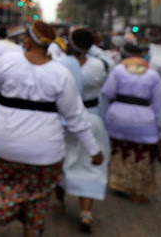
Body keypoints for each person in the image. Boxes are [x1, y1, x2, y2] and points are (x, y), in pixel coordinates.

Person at [0, 20, 103, 237]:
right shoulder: (61, 73)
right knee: (38, 195)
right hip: (44, 151)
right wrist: (94, 150)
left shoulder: (7, 61)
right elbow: (75, 118)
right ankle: (31, 229)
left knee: (0, 181)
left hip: (3, 142)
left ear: (28, 40)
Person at [54, 27, 111, 233]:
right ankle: (86, 213)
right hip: (93, 119)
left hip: (66, 120)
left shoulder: (60, 65)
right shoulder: (101, 65)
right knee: (91, 165)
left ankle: (59, 203)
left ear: (70, 43)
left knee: (62, 160)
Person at [101, 42, 161, 203]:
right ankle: (137, 191)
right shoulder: (153, 75)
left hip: (118, 117)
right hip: (144, 122)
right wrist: (160, 128)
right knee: (141, 156)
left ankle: (119, 185)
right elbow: (159, 104)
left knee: (119, 152)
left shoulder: (118, 71)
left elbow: (107, 93)